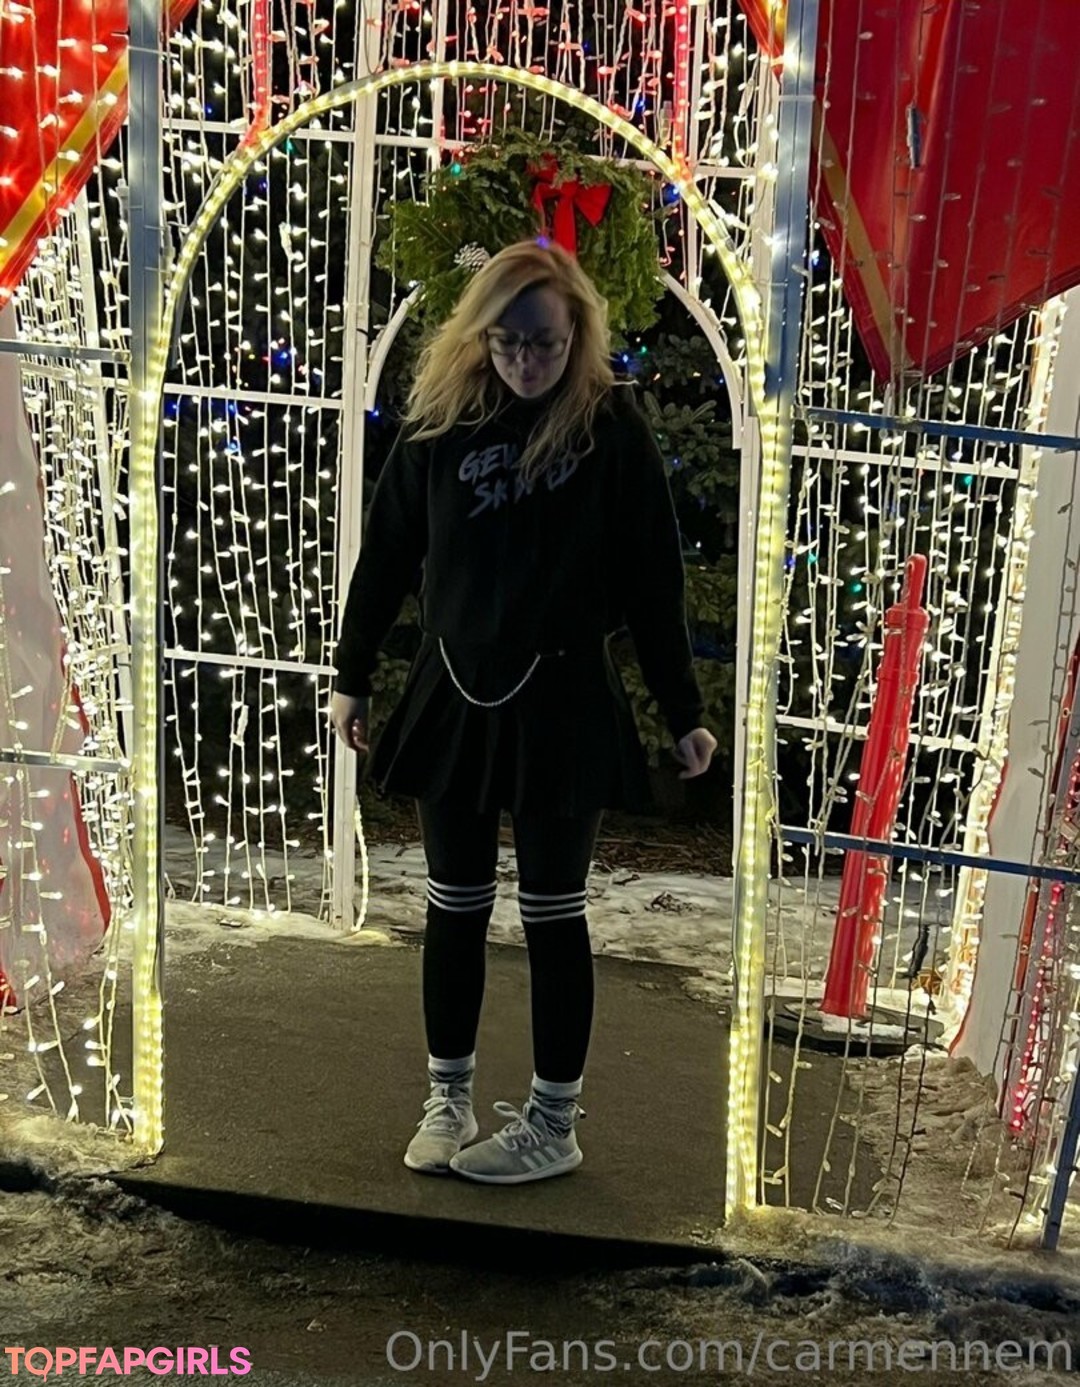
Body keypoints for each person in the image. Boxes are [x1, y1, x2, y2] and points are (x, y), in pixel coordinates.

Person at [329, 238, 717, 1185]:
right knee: (453, 905)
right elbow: (387, 554)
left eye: (544, 342)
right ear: (479, 333)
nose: (525, 360)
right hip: (456, 689)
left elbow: (653, 579)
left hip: (565, 700)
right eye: (506, 341)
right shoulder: (441, 422)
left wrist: (683, 710)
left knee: (553, 911)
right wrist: (351, 672)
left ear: (578, 330)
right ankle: (448, 1098)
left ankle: (553, 1121)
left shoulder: (611, 428)